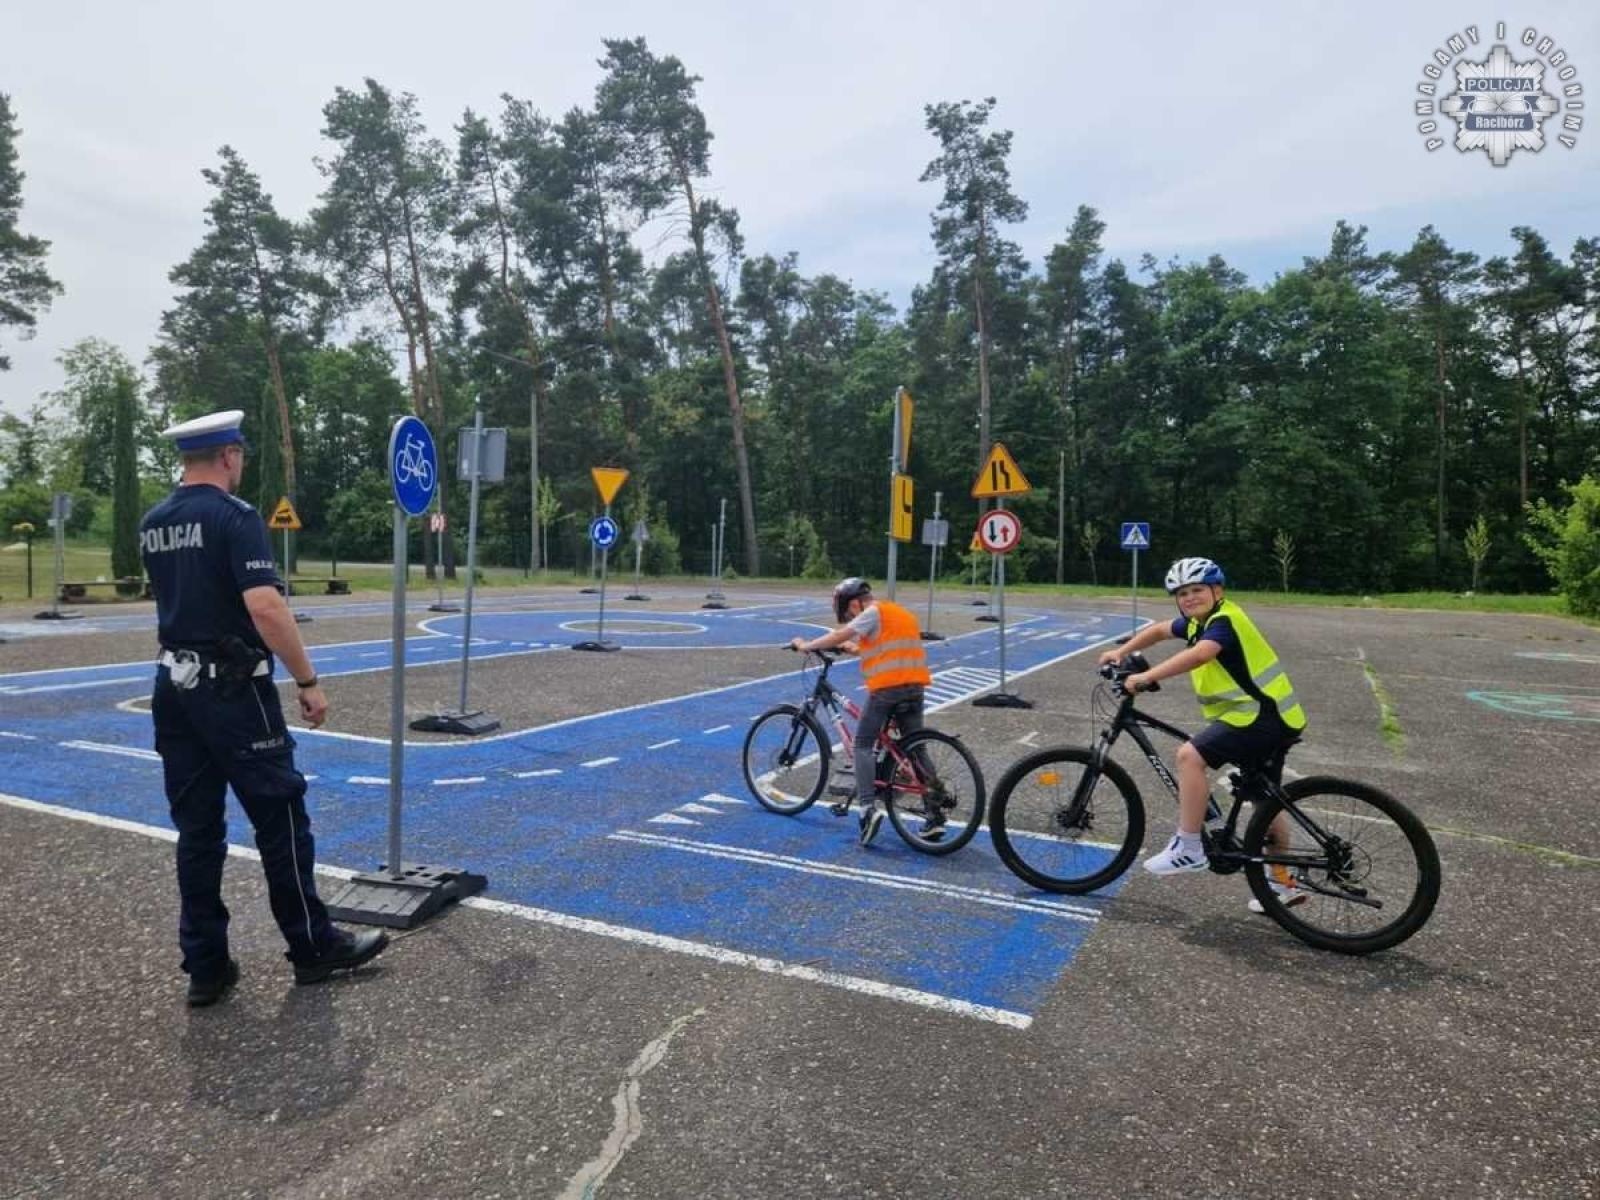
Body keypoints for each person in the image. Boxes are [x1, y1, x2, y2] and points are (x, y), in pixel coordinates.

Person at [141, 409, 388, 1007]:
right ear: (229, 455)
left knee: (198, 831)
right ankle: (312, 946)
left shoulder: (154, 521)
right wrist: (307, 678)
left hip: (174, 689)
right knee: (280, 820)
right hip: (233, 691)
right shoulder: (234, 517)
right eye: (241, 456)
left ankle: (206, 967)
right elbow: (267, 608)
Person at [1097, 556, 1308, 911]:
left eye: (1198, 590)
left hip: (1258, 717)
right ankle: (1282, 884)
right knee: (1262, 800)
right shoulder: (1198, 622)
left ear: (1217, 590)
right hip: (1270, 716)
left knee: (1188, 756)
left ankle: (1189, 846)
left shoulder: (1225, 620)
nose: (1190, 597)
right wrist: (1122, 650)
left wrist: (1146, 677)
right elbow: (1161, 629)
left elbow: (1201, 655)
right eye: (1183, 593)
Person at [790, 577, 933, 846]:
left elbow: (838, 634)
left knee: (863, 745)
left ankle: (867, 810)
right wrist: (854, 648)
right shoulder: (897, 611)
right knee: (917, 749)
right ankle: (934, 813)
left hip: (888, 689)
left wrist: (807, 645)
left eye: (847, 612)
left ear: (855, 603)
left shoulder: (871, 612)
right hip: (915, 686)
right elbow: (885, 649)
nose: (849, 617)